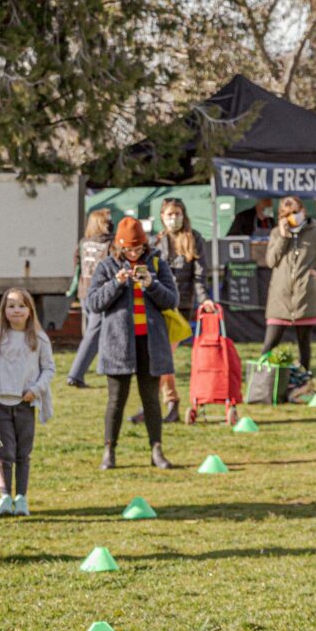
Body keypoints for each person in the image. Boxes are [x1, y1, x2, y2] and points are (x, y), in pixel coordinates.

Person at [88, 217, 178, 470]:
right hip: (118, 344)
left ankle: (156, 450)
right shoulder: (107, 265)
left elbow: (171, 300)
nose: (133, 253)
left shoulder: (158, 264)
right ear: (119, 246)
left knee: (151, 398)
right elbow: (94, 303)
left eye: (137, 249)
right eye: (128, 249)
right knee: (116, 400)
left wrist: (152, 285)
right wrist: (116, 284)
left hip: (151, 342)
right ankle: (109, 450)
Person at [0, 288, 54, 516]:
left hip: (25, 403)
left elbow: (49, 368)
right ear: (4, 310)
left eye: (21, 306)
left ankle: (21, 497)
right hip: (1, 402)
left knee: (23, 452)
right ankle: (5, 497)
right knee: (5, 451)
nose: (16, 310)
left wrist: (36, 390)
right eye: (11, 306)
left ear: (30, 310)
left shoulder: (39, 339)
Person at [262, 196, 316, 371]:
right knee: (270, 343)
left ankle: (304, 379)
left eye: (295, 212)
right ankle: (262, 381)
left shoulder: (314, 232)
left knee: (304, 343)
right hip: (281, 298)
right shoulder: (276, 233)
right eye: (288, 213)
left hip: (305, 296)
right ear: (281, 216)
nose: (293, 216)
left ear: (303, 211)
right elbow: (271, 261)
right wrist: (284, 238)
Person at [153, 198, 215, 422]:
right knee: (162, 357)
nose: (173, 218)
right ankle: (171, 403)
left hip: (181, 306)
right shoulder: (157, 241)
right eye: (169, 214)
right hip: (159, 306)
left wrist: (205, 299)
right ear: (162, 216)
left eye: (177, 213)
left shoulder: (193, 238)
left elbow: (200, 275)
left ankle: (153, 402)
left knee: (164, 356)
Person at [67, 209, 113, 388]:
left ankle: (104, 368)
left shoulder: (84, 243)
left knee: (92, 333)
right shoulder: (108, 244)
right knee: (93, 335)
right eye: (106, 221)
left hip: (84, 293)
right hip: (100, 296)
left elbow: (77, 265)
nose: (110, 223)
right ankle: (75, 375)